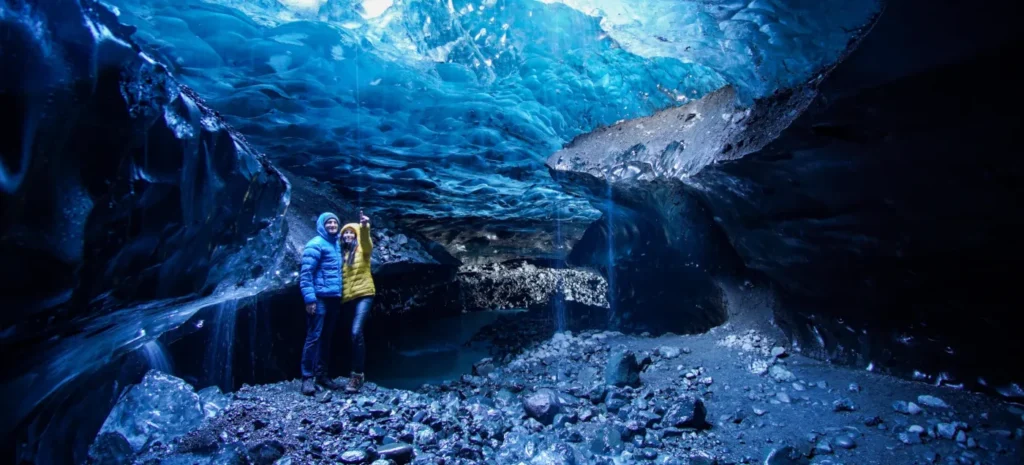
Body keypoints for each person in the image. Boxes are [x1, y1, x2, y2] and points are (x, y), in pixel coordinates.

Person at [298, 212, 345, 395]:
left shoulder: (336, 245)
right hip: (319, 298)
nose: (333, 225)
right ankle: (307, 378)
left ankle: (322, 375)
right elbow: (306, 274)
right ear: (322, 225)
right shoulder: (315, 244)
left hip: (333, 297)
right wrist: (309, 299)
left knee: (326, 338)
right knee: (314, 337)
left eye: (335, 222)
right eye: (329, 223)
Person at [339, 210, 376, 393]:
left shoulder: (363, 250)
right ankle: (348, 370)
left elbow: (366, 242)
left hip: (364, 295)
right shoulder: (342, 255)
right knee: (350, 335)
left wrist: (363, 227)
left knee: (355, 332)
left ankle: (358, 375)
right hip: (348, 298)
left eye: (350, 233)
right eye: (345, 233)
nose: (347, 235)